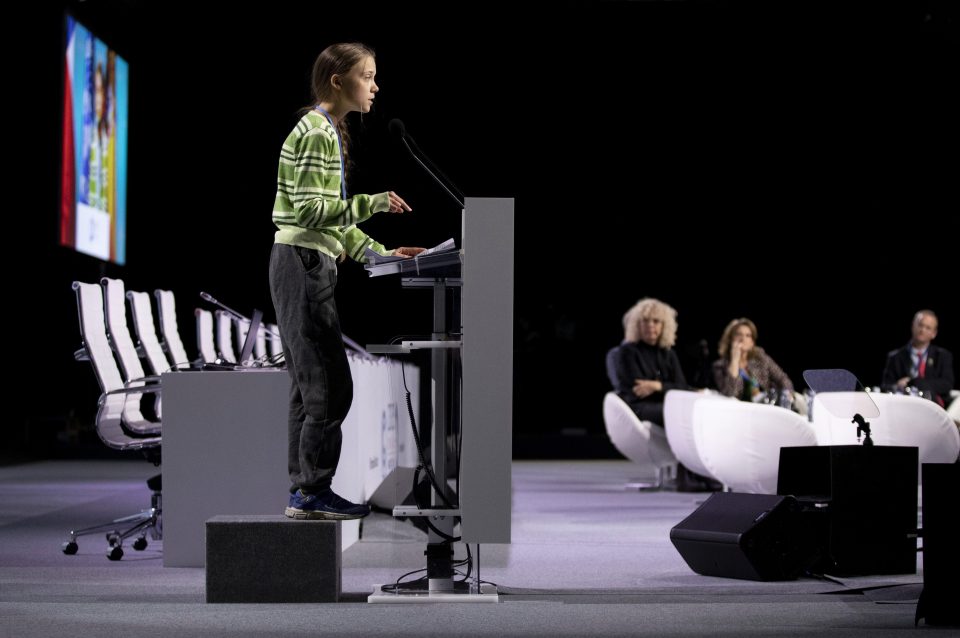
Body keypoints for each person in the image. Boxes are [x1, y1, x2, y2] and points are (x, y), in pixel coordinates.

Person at [269, 43, 425, 520]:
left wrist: (377, 252)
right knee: (329, 386)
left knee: (310, 386)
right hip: (303, 263)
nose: (375, 86)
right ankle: (310, 491)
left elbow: (327, 221)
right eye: (368, 76)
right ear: (337, 80)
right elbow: (312, 211)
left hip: (306, 260)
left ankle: (304, 491)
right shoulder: (317, 131)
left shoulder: (326, 130)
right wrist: (372, 202)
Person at [610, 298, 689, 427]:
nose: (650, 325)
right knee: (675, 414)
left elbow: (682, 386)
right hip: (637, 407)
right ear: (637, 324)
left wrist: (657, 386)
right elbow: (637, 389)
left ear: (664, 325)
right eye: (645, 321)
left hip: (666, 404)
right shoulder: (627, 351)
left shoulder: (668, 353)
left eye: (656, 321)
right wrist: (667, 387)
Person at [882, 310, 954, 407]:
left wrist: (915, 382)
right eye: (920, 325)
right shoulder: (895, 357)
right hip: (903, 404)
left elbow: (947, 384)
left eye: (928, 328)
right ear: (913, 325)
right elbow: (885, 386)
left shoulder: (943, 356)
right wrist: (898, 385)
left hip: (935, 406)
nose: (922, 330)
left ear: (934, 333)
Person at [713, 318, 794, 402]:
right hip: (739, 410)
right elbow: (731, 393)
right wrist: (734, 360)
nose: (743, 338)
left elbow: (782, 378)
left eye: (748, 335)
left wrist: (788, 395)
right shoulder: (720, 366)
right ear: (730, 339)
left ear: (752, 342)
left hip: (767, 405)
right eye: (738, 334)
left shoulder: (760, 358)